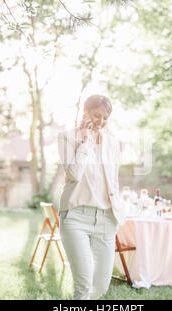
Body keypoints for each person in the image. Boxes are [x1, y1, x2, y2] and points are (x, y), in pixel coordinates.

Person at [57, 94, 125, 300]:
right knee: (84, 285)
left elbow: (113, 181)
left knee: (101, 287)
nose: (101, 122)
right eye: (96, 115)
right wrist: (85, 142)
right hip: (76, 217)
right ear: (85, 112)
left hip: (106, 219)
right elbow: (74, 175)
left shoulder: (112, 144)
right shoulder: (67, 138)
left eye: (106, 118)